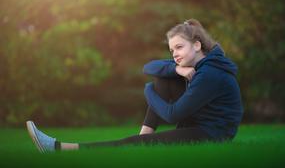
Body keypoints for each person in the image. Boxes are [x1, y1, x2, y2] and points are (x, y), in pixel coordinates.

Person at [26, 18, 243, 153]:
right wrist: (177, 69)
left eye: (179, 47)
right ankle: (142, 140)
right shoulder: (199, 65)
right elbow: (150, 67)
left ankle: (59, 148)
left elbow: (173, 115)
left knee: (133, 138)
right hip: (199, 124)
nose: (174, 54)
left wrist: (148, 91)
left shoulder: (209, 74)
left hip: (212, 134)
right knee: (163, 79)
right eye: (171, 50)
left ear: (197, 45)